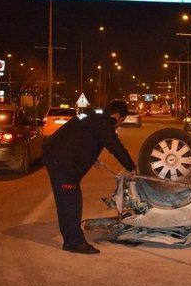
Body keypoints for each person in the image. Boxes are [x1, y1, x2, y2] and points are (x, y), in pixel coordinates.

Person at [42, 100, 136, 255]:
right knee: (70, 202)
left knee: (71, 200)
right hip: (61, 162)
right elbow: (115, 146)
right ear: (117, 115)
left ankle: (72, 240)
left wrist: (92, 157)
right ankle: (74, 242)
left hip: (58, 157)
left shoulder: (94, 116)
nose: (119, 125)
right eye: (121, 121)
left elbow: (81, 137)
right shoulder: (104, 122)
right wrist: (131, 167)